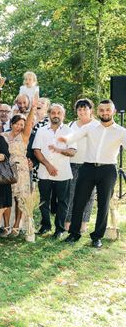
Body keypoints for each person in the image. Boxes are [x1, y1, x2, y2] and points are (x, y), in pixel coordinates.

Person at [60, 100, 126, 248]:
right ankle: (74, 234)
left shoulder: (121, 131)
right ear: (98, 112)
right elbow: (73, 137)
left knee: (103, 204)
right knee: (79, 201)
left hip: (108, 170)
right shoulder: (91, 127)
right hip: (88, 168)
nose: (105, 113)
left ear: (113, 112)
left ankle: (97, 237)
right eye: (102, 110)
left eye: (108, 110)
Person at [32, 104, 76, 239]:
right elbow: (36, 150)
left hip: (63, 173)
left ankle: (60, 229)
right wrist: (48, 165)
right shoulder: (41, 130)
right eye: (53, 113)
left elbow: (73, 151)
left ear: (63, 115)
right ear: (49, 114)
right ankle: (45, 226)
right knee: (44, 201)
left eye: (59, 113)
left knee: (62, 202)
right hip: (45, 172)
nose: (56, 115)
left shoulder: (69, 131)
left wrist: (60, 150)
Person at [3, 93, 38, 236]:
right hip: (6, 168)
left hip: (21, 169)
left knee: (20, 198)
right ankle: (6, 226)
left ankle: (16, 226)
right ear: (12, 124)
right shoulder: (3, 136)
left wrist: (33, 109)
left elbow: (29, 123)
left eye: (22, 125)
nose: (19, 126)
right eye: (17, 123)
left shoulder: (23, 137)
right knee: (6, 197)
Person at [65, 99, 99, 234]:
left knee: (88, 196)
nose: (82, 111)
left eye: (85, 109)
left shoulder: (97, 125)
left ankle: (83, 223)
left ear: (91, 110)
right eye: (80, 109)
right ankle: (68, 222)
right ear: (76, 111)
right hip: (72, 164)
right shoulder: (71, 125)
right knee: (71, 194)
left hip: (90, 165)